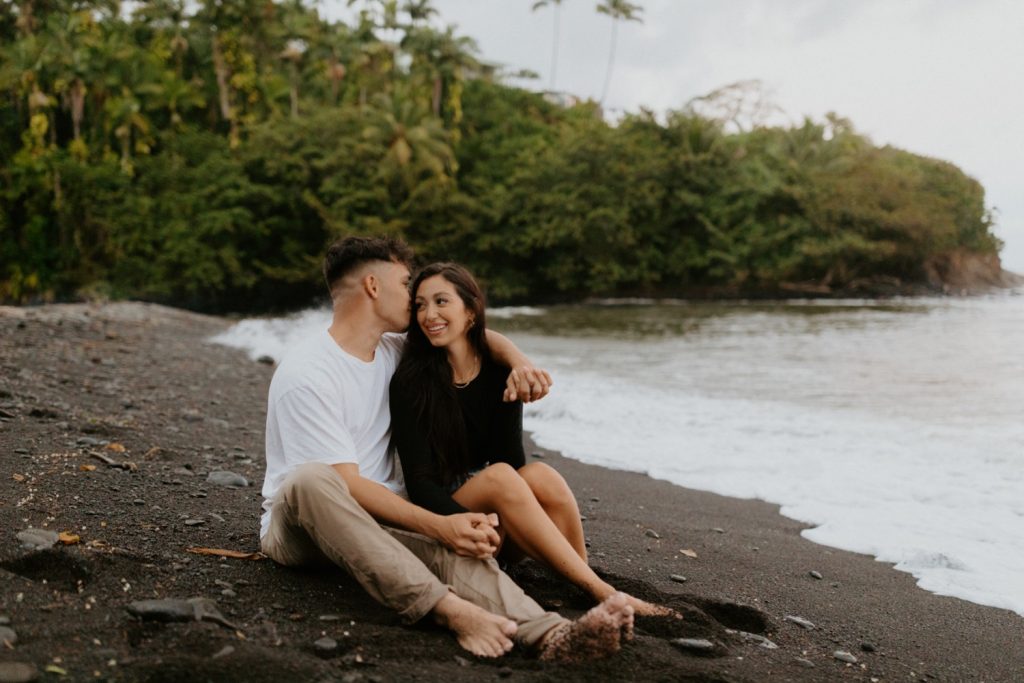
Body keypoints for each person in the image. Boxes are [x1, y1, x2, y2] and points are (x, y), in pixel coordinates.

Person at [260, 236, 635, 661]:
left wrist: (519, 363)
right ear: (372, 286)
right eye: (406, 285)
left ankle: (553, 635)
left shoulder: (392, 349)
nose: (416, 301)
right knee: (312, 478)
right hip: (304, 526)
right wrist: (437, 525)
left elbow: (472, 334)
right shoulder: (308, 371)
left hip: (381, 521)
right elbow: (346, 485)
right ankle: (451, 610)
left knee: (454, 544)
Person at [389, 263, 673, 617]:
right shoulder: (411, 381)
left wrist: (514, 388)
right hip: (445, 520)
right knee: (502, 476)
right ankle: (604, 593)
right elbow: (420, 485)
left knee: (541, 475)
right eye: (420, 305)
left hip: (494, 520)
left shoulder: (500, 372)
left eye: (441, 301)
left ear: (471, 311)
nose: (429, 314)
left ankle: (580, 578)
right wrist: (468, 522)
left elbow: (511, 460)